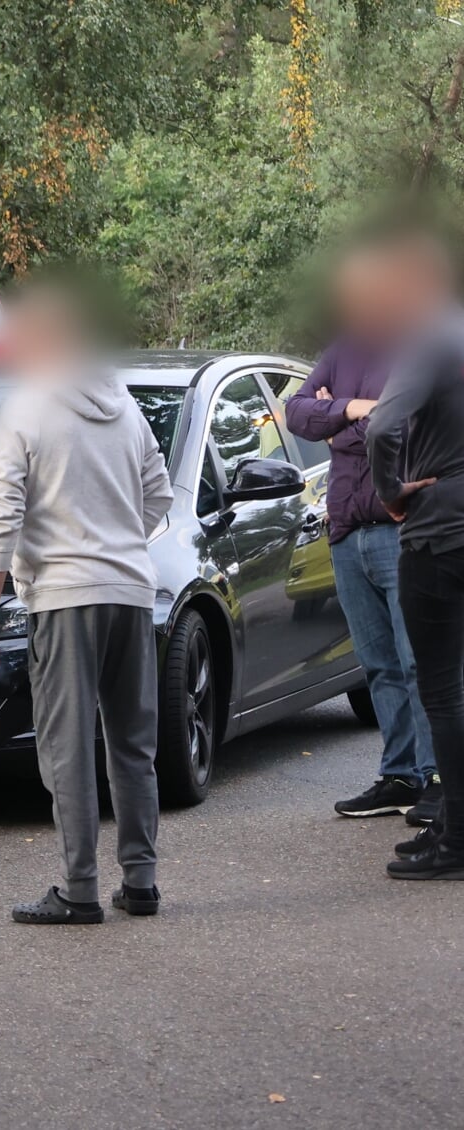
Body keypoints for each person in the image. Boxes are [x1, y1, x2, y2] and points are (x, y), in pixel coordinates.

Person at [0, 281, 174, 925]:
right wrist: (116, 545)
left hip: (63, 598)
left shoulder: (25, 409)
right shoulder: (124, 405)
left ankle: (79, 888)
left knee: (67, 745)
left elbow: (1, 516)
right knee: (133, 743)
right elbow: (159, 494)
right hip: (130, 592)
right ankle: (140, 882)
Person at [284, 251, 437, 821]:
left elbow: (404, 429)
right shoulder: (343, 349)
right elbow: (296, 411)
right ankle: (398, 773)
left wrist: (341, 424)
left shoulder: (421, 349)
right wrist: (351, 408)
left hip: (403, 531)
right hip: (346, 532)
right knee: (377, 663)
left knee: (421, 660)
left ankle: (435, 779)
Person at [360, 229, 464, 880]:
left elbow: (380, 425)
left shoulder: (429, 338)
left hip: (438, 529)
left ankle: (454, 843)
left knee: (442, 691)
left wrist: (391, 492)